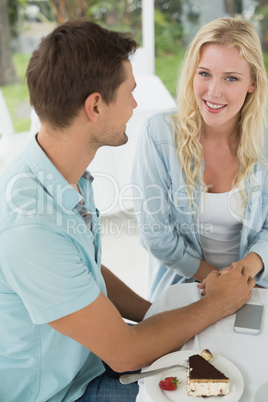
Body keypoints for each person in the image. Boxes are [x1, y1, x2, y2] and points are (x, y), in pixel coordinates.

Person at [0, 18, 255, 402]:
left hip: (88, 364)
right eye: (130, 92)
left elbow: (83, 266)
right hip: (64, 392)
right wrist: (218, 301)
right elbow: (125, 353)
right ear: (96, 106)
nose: (136, 105)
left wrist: (156, 316)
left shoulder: (61, 177)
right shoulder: (30, 224)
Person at [132, 17, 268, 302]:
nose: (213, 91)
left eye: (231, 78)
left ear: (253, 83)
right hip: (184, 289)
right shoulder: (159, 135)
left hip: (255, 289)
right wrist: (217, 283)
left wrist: (247, 270)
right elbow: (157, 236)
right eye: (205, 74)